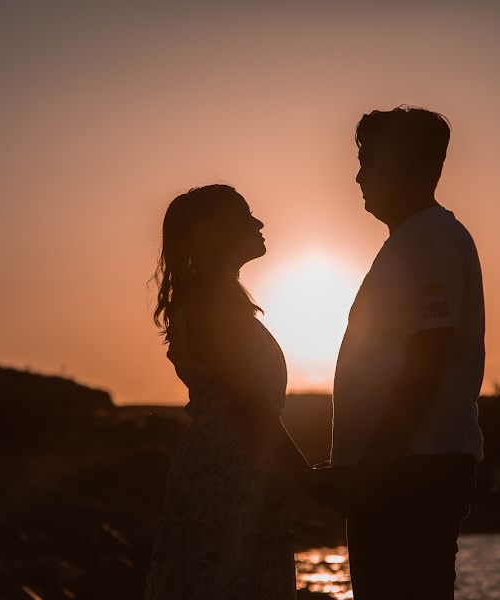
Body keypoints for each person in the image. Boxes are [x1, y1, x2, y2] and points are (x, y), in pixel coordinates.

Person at [323, 106, 485, 599]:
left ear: (403, 165)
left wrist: (370, 469)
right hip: (405, 467)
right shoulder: (415, 241)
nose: (357, 176)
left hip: (409, 471)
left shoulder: (426, 241)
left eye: (367, 161)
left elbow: (426, 362)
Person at [144, 184, 309, 600]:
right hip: (226, 470)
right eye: (245, 215)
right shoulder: (210, 306)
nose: (259, 222)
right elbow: (250, 404)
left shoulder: (216, 301)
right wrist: (307, 478)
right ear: (215, 231)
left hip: (235, 466)